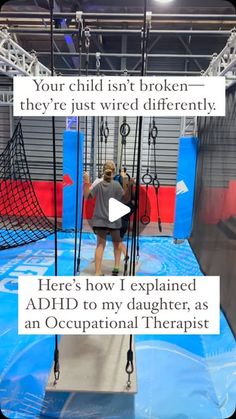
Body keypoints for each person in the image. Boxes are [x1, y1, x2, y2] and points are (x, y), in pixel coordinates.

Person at [83, 161, 131, 276]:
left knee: (100, 245)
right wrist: (126, 182)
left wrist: (86, 181)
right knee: (117, 243)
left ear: (103, 171)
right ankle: (116, 267)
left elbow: (87, 197)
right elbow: (126, 199)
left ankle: (98, 272)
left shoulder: (99, 184)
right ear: (114, 172)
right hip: (114, 220)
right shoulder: (116, 185)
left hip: (99, 219)